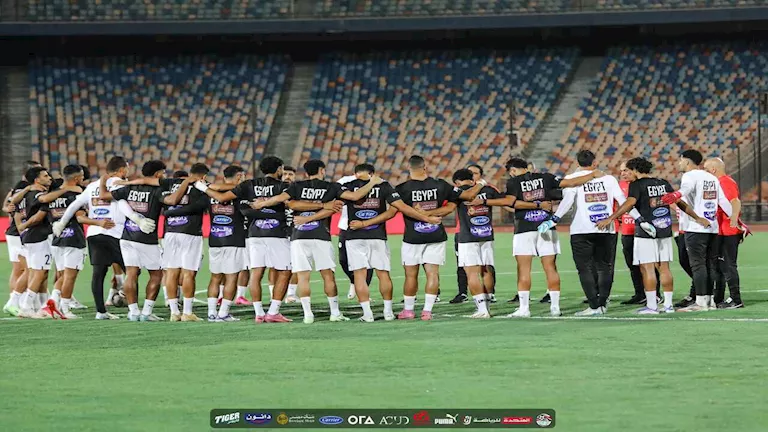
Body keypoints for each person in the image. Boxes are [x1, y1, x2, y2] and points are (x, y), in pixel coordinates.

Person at [247, 159, 376, 323]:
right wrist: (373, 182)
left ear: (306, 172)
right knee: (328, 275)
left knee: (303, 277)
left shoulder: (296, 186)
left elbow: (284, 200)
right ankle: (335, 313)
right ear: (322, 170)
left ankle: (308, 315)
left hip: (298, 236)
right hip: (321, 235)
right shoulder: (331, 187)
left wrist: (262, 204)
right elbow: (355, 196)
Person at [484, 157, 602, 317]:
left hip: (524, 229)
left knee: (524, 269)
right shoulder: (546, 177)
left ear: (513, 170)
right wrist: (592, 175)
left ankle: (524, 308)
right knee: (551, 267)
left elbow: (511, 202)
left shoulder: (514, 182)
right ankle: (555, 308)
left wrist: (485, 202)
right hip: (547, 226)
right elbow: (569, 183)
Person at [599, 157, 709, 314]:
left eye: (628, 170)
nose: (626, 173)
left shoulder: (636, 185)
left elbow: (629, 203)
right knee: (664, 267)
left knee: (647, 267)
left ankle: (652, 306)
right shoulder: (662, 183)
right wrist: (697, 217)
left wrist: (610, 218)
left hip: (646, 231)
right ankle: (668, 305)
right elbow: (679, 202)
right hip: (664, 230)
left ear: (635, 170)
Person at [198, 156, 298, 323]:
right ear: (279, 169)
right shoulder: (284, 186)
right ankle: (273, 311)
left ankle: (259, 313)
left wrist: (204, 186)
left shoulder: (248, 185)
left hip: (254, 233)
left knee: (256, 273)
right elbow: (292, 204)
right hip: (277, 233)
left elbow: (223, 197)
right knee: (285, 271)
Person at [341, 163, 439, 322]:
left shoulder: (348, 186)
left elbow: (345, 200)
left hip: (354, 235)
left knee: (359, 275)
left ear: (355, 173)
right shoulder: (383, 185)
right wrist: (426, 218)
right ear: (373, 173)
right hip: (378, 235)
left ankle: (367, 314)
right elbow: (399, 207)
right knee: (383, 273)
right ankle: (388, 312)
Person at [542, 150, 635, 315]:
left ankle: (593, 306)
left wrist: (554, 219)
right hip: (606, 228)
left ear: (577, 163)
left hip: (581, 230)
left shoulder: (572, 178)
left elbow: (567, 202)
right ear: (594, 163)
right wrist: (639, 218)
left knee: (584, 269)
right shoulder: (609, 179)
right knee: (605, 268)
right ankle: (603, 304)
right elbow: (623, 201)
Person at [394, 155, 485, 320]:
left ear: (408, 168)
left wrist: (423, 215)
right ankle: (427, 312)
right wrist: (480, 183)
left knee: (410, 275)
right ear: (425, 167)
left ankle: (408, 310)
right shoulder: (440, 185)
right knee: (433, 274)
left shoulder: (402, 188)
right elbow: (465, 197)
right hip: (436, 234)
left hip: (412, 236)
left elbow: (397, 210)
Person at [54, 156, 141, 319]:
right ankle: (133, 309)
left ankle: (101, 312)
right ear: (122, 170)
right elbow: (123, 205)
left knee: (98, 274)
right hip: (115, 232)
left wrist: (61, 222)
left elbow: (74, 205)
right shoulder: (119, 184)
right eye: (127, 168)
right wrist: (137, 219)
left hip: (94, 233)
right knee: (133, 271)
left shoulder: (92, 186)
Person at [97, 160, 178, 321]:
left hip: (127, 236)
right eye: (163, 173)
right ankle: (146, 312)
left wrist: (102, 181)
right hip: (146, 237)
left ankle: (133, 312)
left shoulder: (129, 187)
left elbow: (104, 196)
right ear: (157, 174)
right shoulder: (158, 189)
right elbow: (171, 201)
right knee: (156, 274)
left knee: (131, 274)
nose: (164, 176)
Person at [661, 150, 735, 312]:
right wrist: (736, 221)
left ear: (687, 162)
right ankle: (710, 301)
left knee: (698, 265)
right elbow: (723, 201)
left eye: (681, 160)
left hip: (696, 228)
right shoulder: (711, 178)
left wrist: (676, 194)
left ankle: (701, 303)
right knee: (710, 264)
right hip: (712, 228)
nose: (679, 163)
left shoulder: (689, 176)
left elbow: (686, 189)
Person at [46, 165, 113, 318]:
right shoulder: (76, 194)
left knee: (62, 275)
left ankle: (53, 301)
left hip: (57, 238)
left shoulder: (53, 195)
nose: (83, 178)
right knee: (70, 276)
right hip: (73, 238)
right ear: (76, 178)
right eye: (82, 176)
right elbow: (80, 218)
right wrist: (99, 222)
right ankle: (65, 309)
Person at [193, 165, 248, 321]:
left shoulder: (210, 192)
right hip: (234, 239)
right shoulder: (240, 190)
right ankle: (223, 313)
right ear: (239, 176)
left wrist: (207, 186)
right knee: (231, 277)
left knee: (215, 277)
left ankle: (211, 313)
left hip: (215, 238)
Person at [451, 168, 504, 318]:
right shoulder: (488, 189)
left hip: (467, 237)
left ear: (457, 182)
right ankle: (488, 306)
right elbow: (506, 201)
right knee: (486, 270)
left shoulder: (458, 191)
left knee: (471, 272)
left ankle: (482, 310)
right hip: (486, 235)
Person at [15, 166, 60, 318]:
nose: (49, 178)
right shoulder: (40, 196)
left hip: (29, 237)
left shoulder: (25, 196)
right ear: (37, 180)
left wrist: (21, 227)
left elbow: (14, 210)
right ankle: (26, 306)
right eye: (45, 176)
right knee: (39, 273)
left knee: (38, 272)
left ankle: (41, 306)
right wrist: (24, 226)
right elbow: (38, 218)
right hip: (39, 237)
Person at [704, 157, 747, 308]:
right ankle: (718, 298)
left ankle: (736, 299)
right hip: (720, 231)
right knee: (719, 266)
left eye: (706, 169)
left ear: (713, 169)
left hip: (728, 231)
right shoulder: (718, 182)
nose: (704, 172)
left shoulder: (725, 182)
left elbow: (735, 201)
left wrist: (734, 217)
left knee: (728, 265)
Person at [617, 161, 660, 305]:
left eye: (625, 170)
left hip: (645, 231)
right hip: (628, 231)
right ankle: (640, 294)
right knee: (633, 265)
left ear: (634, 170)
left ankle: (656, 294)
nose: (623, 173)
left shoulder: (643, 185)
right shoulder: (619, 186)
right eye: (621, 171)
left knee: (650, 265)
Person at [2, 160, 40, 316]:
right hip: (18, 233)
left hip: (16, 232)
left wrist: (7, 208)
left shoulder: (20, 187)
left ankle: (17, 301)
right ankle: (14, 301)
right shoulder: (24, 187)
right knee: (24, 268)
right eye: (38, 171)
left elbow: (7, 205)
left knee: (20, 268)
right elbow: (10, 206)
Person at [337, 172, 374, 301]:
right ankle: (354, 281)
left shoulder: (376, 182)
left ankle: (364, 292)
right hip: (346, 225)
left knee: (368, 262)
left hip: (369, 226)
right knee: (343, 260)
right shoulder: (345, 181)